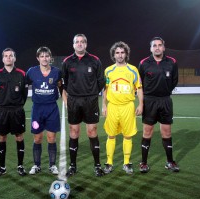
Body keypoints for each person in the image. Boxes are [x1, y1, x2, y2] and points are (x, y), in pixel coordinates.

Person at [62, 34, 105, 177]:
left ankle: (97, 165)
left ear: (86, 44)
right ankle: (73, 166)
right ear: (73, 45)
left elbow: (101, 82)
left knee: (92, 131)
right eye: (77, 42)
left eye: (82, 42)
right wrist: (69, 100)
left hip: (90, 100)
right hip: (74, 101)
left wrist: (91, 94)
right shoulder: (67, 62)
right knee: (74, 132)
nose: (79, 44)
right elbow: (64, 84)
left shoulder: (95, 60)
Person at [138, 37, 179, 173]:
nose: (157, 47)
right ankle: (143, 163)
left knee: (166, 132)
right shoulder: (144, 63)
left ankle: (170, 162)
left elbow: (174, 81)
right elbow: (140, 85)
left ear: (163, 47)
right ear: (151, 48)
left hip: (165, 100)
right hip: (149, 101)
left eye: (159, 45)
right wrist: (142, 102)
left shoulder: (172, 62)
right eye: (154, 45)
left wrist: (163, 92)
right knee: (147, 132)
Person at [102, 41, 143, 175]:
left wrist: (141, 104)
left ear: (126, 54)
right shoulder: (108, 70)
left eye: (122, 52)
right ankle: (109, 163)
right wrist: (104, 105)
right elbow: (106, 89)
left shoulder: (133, 70)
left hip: (128, 107)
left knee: (127, 136)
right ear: (114, 55)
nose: (120, 55)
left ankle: (126, 163)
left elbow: (139, 88)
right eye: (117, 53)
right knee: (111, 135)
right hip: (113, 107)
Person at [0, 48, 28, 177]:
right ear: (2, 59)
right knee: (2, 137)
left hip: (17, 110)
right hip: (2, 111)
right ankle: (2, 167)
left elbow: (24, 93)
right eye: (6, 56)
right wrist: (2, 103)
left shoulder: (22, 74)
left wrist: (17, 104)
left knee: (19, 136)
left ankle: (20, 166)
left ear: (14, 58)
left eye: (10, 56)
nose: (8, 58)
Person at [26, 47, 63, 175]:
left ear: (50, 58)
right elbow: (23, 85)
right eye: (42, 56)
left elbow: (62, 87)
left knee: (51, 138)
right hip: (37, 109)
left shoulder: (57, 72)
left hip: (52, 109)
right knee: (37, 138)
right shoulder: (31, 72)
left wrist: (67, 103)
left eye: (47, 56)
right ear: (38, 58)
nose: (44, 58)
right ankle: (37, 165)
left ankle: (52, 165)